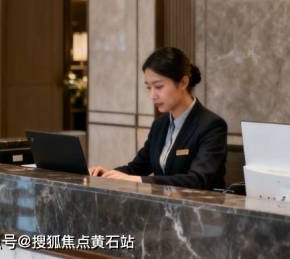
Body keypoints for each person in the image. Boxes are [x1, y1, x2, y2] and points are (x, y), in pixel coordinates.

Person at [88, 47, 227, 190]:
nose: (152, 95)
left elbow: (198, 179)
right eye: (149, 88)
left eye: (158, 87)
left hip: (199, 204)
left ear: (183, 82)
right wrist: (107, 174)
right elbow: (137, 167)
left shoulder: (211, 125)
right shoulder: (160, 124)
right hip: (163, 203)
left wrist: (139, 180)